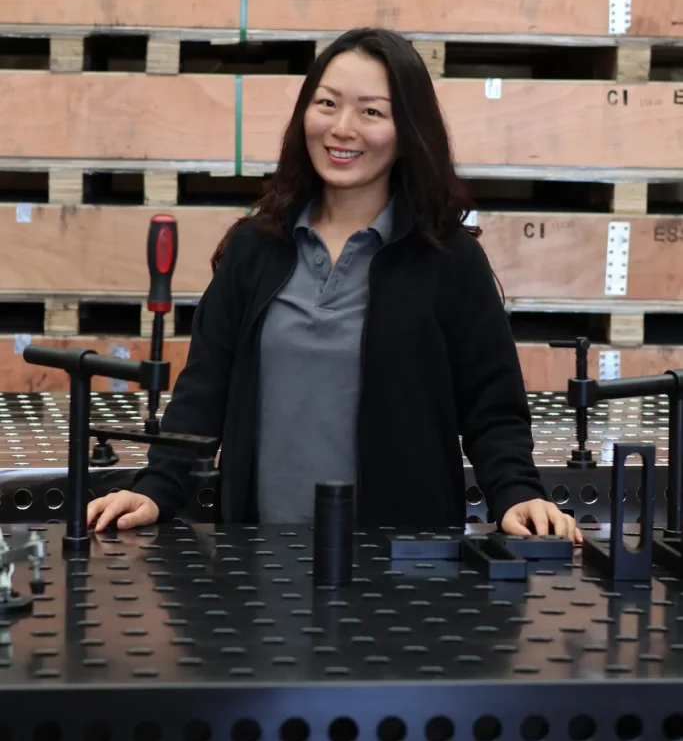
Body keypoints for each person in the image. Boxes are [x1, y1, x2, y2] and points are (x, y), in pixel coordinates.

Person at [88, 27, 581, 544]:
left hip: (406, 564)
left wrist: (517, 493)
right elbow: (204, 389)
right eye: (327, 103)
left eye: (372, 112)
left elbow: (492, 405)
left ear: (408, 130)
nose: (342, 128)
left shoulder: (448, 260)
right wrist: (156, 487)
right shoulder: (256, 248)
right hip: (259, 556)